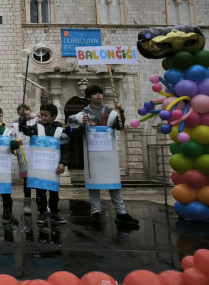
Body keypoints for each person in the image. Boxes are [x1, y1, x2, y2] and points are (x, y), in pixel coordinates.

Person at [68, 85, 139, 226]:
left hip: (109, 155)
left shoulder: (111, 112)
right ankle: (96, 212)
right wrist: (82, 125)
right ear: (88, 97)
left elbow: (119, 126)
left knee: (114, 183)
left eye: (100, 93)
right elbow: (72, 130)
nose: (99, 95)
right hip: (93, 156)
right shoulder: (83, 114)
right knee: (94, 185)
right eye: (95, 94)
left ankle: (121, 212)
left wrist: (121, 111)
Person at [19, 104, 69, 224]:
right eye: (41, 115)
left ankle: (54, 212)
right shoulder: (37, 128)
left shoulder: (61, 131)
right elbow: (24, 129)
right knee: (40, 191)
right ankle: (42, 212)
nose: (43, 117)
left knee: (54, 191)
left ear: (53, 116)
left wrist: (63, 163)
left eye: (46, 115)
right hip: (39, 166)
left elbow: (66, 149)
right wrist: (23, 118)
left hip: (53, 167)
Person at [12, 104, 38, 214]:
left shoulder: (36, 121)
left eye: (26, 109)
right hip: (23, 153)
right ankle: (27, 204)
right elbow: (13, 137)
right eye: (21, 110)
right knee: (27, 180)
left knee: (38, 179)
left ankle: (42, 203)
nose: (25, 112)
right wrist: (14, 148)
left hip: (36, 153)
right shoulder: (15, 124)